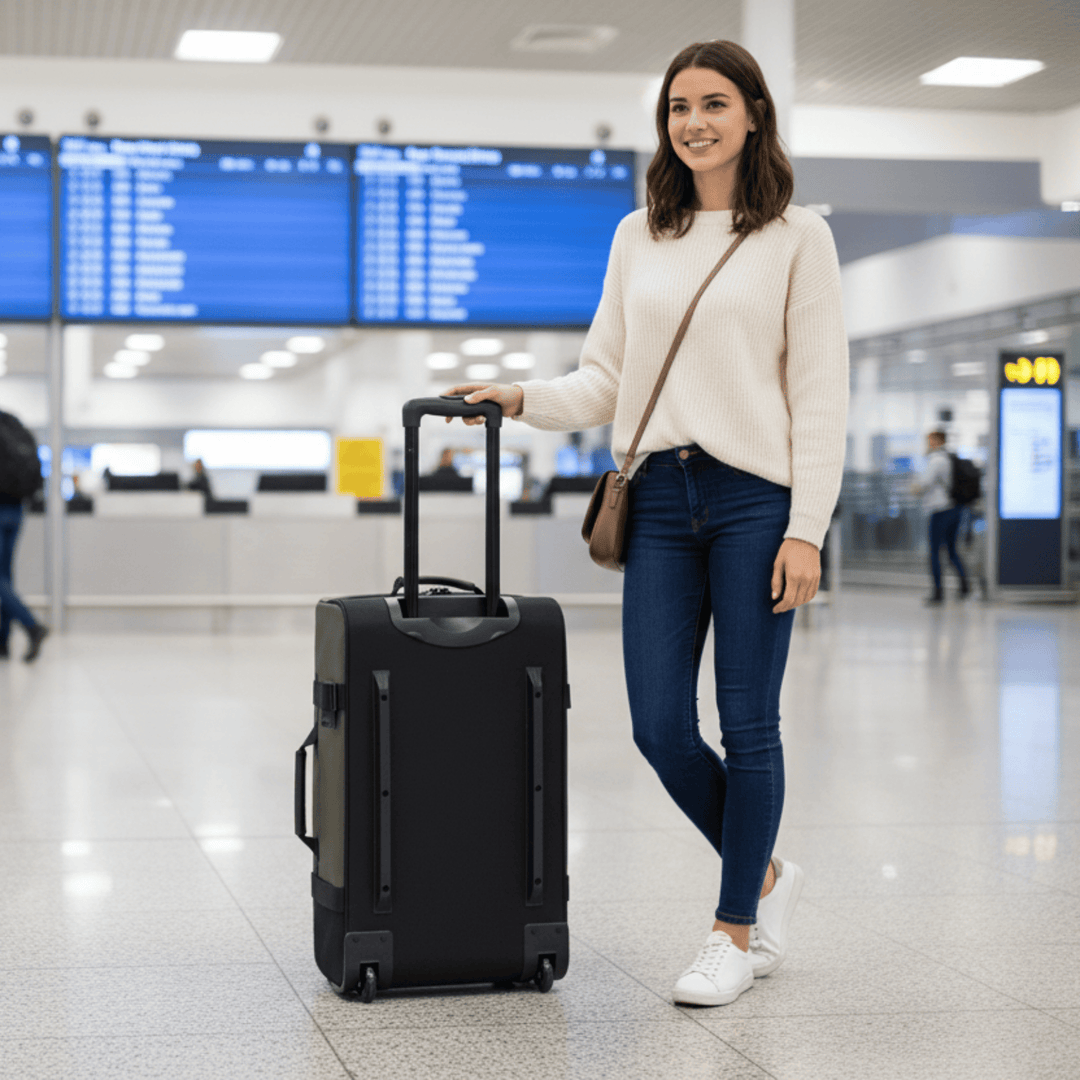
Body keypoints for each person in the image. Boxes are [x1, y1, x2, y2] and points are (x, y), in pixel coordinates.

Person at [445, 40, 848, 1007]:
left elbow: (820, 394)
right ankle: (763, 873)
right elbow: (608, 379)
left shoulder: (798, 238)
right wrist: (520, 397)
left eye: (714, 103)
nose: (694, 122)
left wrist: (808, 528)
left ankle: (731, 931)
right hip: (660, 500)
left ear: (754, 113)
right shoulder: (640, 234)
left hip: (757, 499)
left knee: (749, 723)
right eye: (678, 107)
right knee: (660, 725)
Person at [0, 408, 50, 662]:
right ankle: (3, 642)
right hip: (16, 510)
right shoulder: (16, 427)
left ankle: (32, 626)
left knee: (1, 579)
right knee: (5, 576)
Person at [911, 430, 969, 605]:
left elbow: (923, 484)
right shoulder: (950, 457)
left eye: (929, 440)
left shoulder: (936, 460)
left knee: (935, 553)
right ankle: (965, 586)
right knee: (951, 550)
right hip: (955, 508)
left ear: (936, 440)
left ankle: (938, 592)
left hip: (940, 510)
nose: (927, 444)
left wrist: (914, 488)